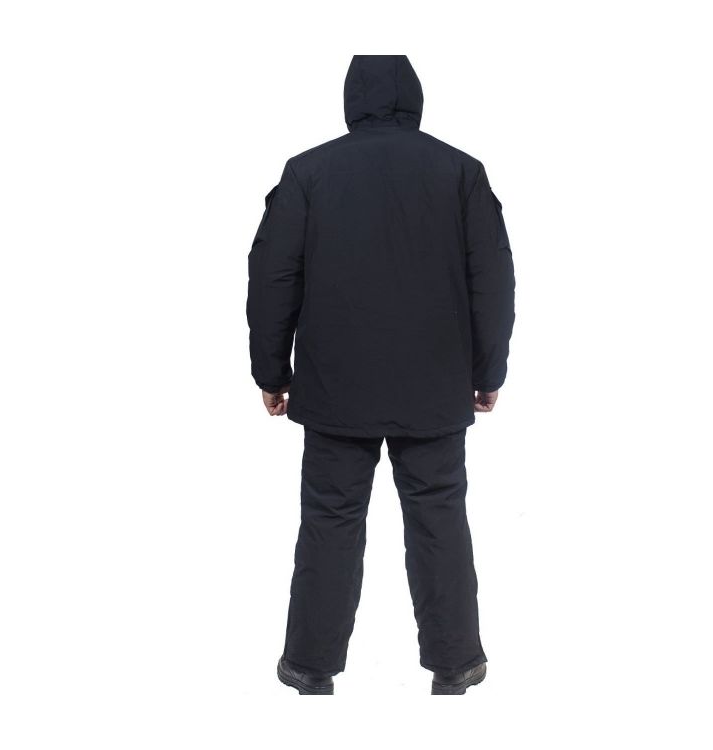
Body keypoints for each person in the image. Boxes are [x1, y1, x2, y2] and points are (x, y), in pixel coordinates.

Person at [246, 55, 516, 695]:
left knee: (330, 521)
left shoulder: (308, 172)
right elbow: (493, 279)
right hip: (435, 384)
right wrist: (488, 370)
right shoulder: (460, 171)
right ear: (415, 97)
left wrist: (270, 370)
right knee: (439, 518)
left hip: (335, 383)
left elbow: (273, 275)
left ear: (351, 98)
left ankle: (310, 669)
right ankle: (456, 665)